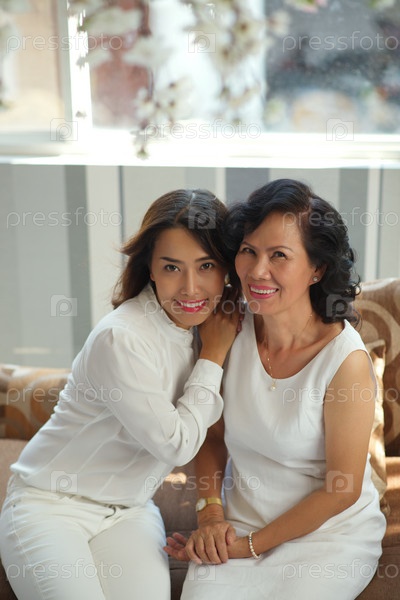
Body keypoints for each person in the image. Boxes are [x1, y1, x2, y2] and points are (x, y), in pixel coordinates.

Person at [0, 189, 242, 600]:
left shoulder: (213, 325)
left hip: (130, 511)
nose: (190, 288)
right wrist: (214, 355)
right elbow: (177, 444)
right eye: (171, 267)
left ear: (226, 270)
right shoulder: (122, 338)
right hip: (50, 504)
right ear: (150, 268)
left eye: (206, 266)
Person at [165, 179, 387, 600]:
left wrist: (249, 547)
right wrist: (210, 515)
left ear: (317, 269)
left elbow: (342, 490)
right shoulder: (228, 328)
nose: (256, 271)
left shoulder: (345, 362)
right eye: (249, 250)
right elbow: (211, 435)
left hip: (327, 536)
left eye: (279, 255)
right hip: (239, 524)